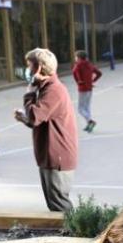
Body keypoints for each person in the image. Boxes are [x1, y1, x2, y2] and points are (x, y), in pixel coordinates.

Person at [13, 48, 78, 212]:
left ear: (39, 68)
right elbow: (39, 120)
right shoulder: (45, 88)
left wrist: (29, 95)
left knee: (60, 207)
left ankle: (71, 236)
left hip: (57, 157)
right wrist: (24, 118)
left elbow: (35, 116)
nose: (28, 70)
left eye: (30, 66)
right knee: (55, 204)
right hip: (50, 155)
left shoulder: (53, 90)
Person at [72, 50, 102, 133]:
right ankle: (89, 124)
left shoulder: (78, 65)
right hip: (89, 88)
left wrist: (79, 81)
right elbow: (99, 73)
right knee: (87, 107)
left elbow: (75, 73)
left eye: (76, 57)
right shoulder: (89, 64)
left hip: (82, 89)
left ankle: (90, 121)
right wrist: (93, 81)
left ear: (78, 57)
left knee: (80, 109)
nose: (75, 58)